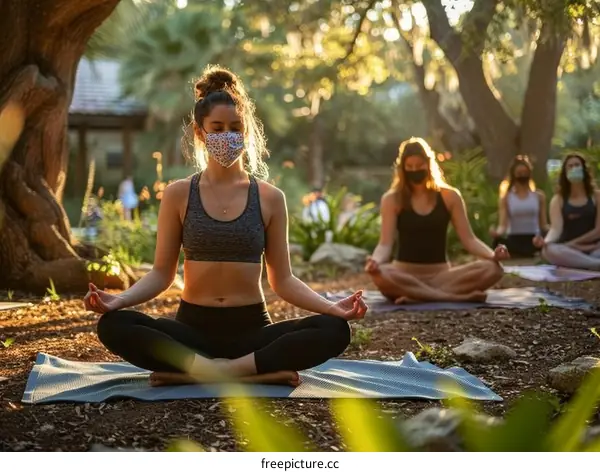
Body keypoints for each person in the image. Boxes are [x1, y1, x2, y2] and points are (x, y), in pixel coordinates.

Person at [84, 66, 368, 387]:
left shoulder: (269, 198)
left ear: (245, 132)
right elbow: (162, 274)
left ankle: (209, 372)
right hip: (192, 330)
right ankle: (251, 374)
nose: (226, 136)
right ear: (200, 132)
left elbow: (283, 280)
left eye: (235, 127)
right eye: (217, 128)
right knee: (113, 324)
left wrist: (332, 307)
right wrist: (117, 301)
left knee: (334, 330)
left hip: (251, 332)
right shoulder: (179, 194)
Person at [365, 137, 509, 304]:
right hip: (404, 275)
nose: (415, 170)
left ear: (429, 164)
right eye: (409, 167)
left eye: (419, 166)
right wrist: (375, 262)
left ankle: (417, 296)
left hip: (442, 276)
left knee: (494, 269)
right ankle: (453, 297)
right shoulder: (392, 199)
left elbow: (469, 240)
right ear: (402, 169)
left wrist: (493, 256)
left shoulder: (450, 196)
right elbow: (385, 244)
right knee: (381, 273)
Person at [533, 153, 600, 270]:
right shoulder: (558, 200)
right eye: (570, 166)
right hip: (568, 249)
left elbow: (598, 230)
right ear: (565, 172)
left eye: (577, 165)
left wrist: (575, 244)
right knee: (549, 250)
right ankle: (594, 264)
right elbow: (555, 229)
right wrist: (545, 241)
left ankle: (585, 263)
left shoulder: (597, 196)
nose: (574, 168)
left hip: (593, 247)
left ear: (584, 169)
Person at [490, 155, 548, 258]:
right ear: (513, 175)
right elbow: (503, 225)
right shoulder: (506, 198)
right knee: (498, 243)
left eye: (525, 173)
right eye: (519, 173)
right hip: (514, 239)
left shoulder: (539, 196)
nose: (522, 176)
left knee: (548, 241)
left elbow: (543, 224)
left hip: (534, 239)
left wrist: (553, 231)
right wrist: (497, 233)